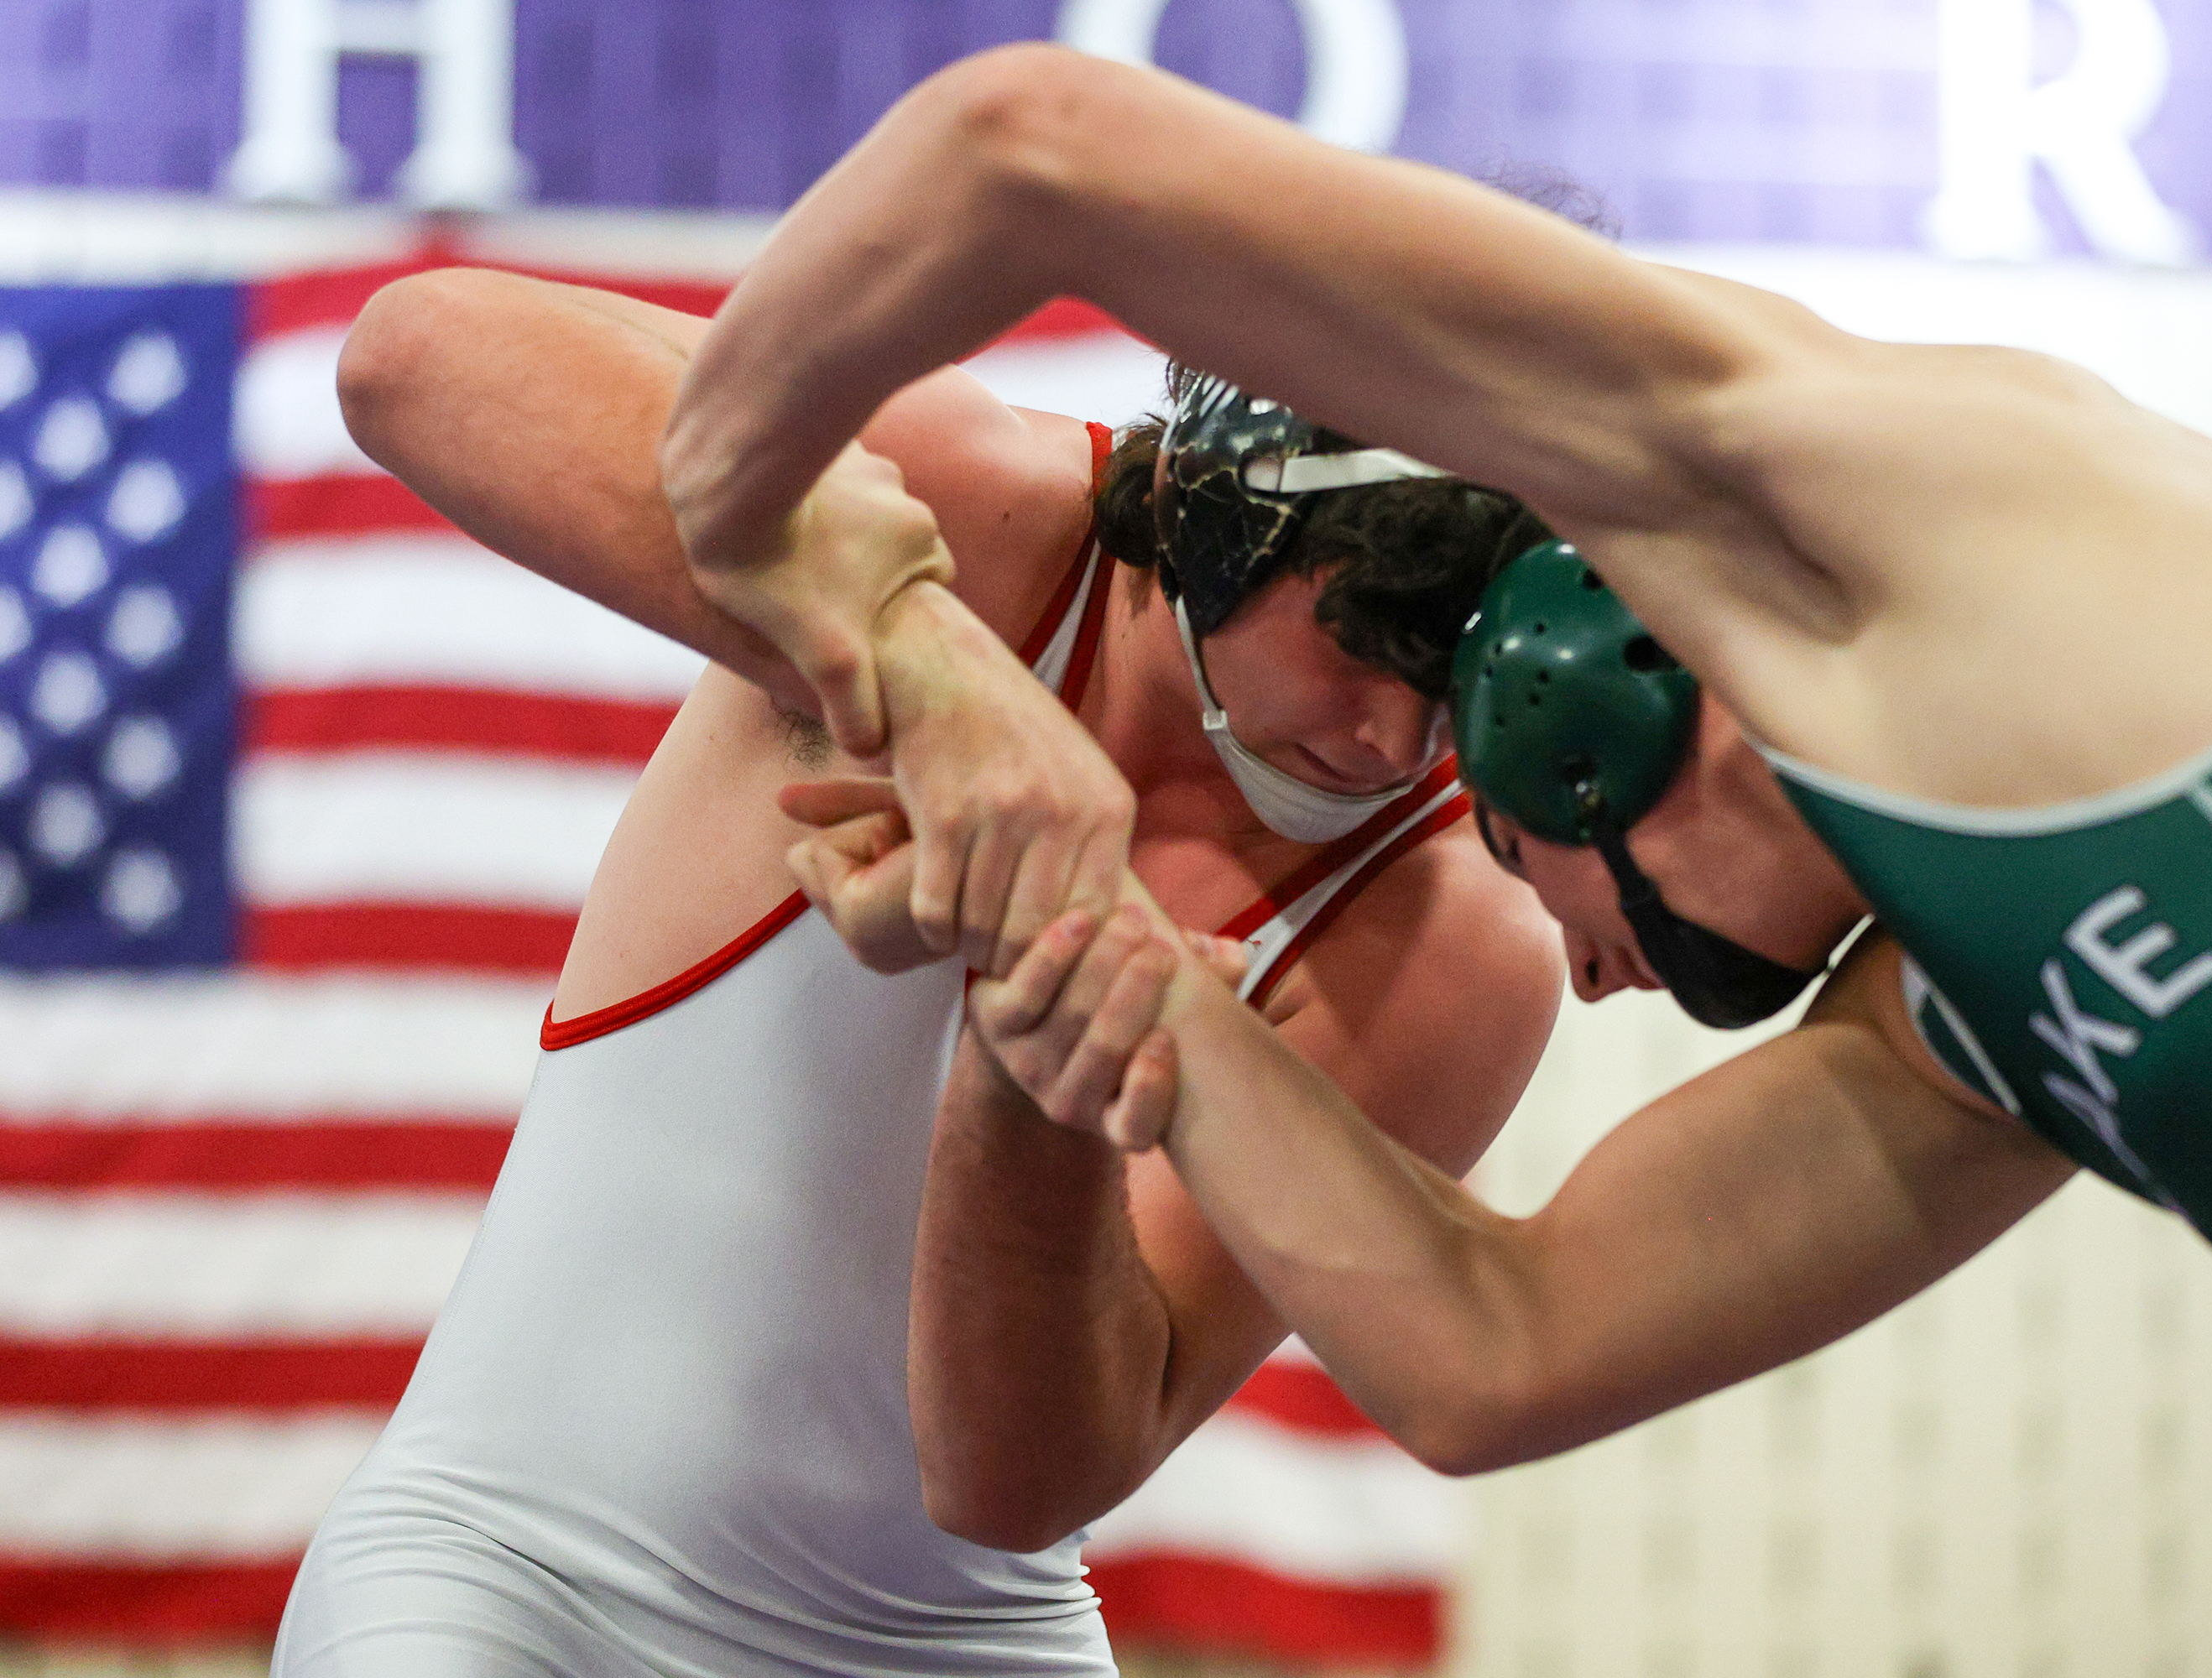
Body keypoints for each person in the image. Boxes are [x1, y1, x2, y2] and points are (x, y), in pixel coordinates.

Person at [656, 41, 2212, 1678]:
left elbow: (1028, 133)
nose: (1588, 967)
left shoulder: (1881, 496)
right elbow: (1494, 1348)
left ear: (1586, 717)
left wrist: (747, 508)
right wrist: (1105, 947)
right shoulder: (1970, 1019)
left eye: (1487, 813)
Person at [269, 266, 1559, 1675]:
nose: (1393, 742)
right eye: (1366, 644)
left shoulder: (1449, 938)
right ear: (1217, 522)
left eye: (1458, 678)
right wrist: (922, 660)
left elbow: (1017, 1485)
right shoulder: (970, 519)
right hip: (512, 1567)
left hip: (953, 1640)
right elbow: (410, 358)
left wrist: (1040, 1043)